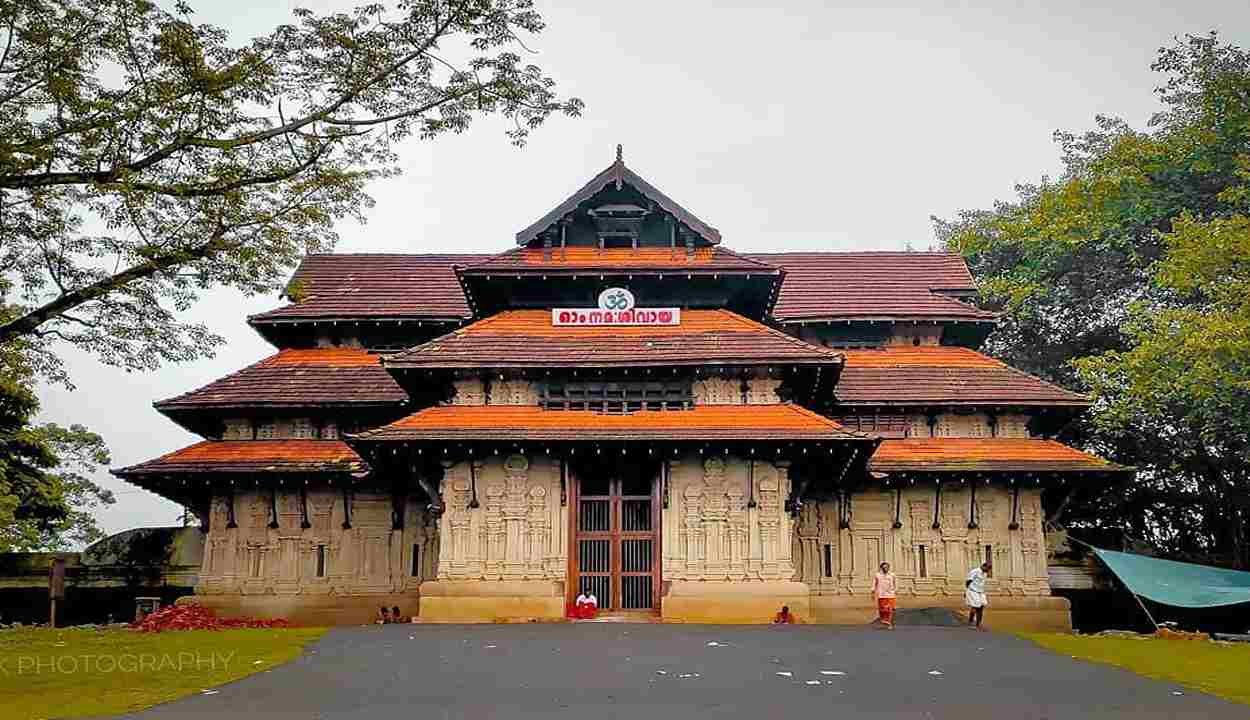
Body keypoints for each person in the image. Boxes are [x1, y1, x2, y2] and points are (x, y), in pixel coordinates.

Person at [966, 561, 991, 629]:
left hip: (980, 592)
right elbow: (968, 581)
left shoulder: (985, 573)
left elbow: (981, 583)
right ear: (983, 566)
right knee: (975, 607)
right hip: (972, 591)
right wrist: (967, 591)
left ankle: (978, 624)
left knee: (982, 606)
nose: (988, 570)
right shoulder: (975, 571)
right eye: (987, 568)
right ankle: (970, 621)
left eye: (989, 569)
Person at [872, 561, 898, 629]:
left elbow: (896, 583)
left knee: (890, 609)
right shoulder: (877, 575)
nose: (885, 569)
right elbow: (874, 584)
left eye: (886, 567)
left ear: (888, 568)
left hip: (890, 594)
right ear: (881, 568)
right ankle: (884, 621)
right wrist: (873, 591)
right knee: (882, 610)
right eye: (884, 568)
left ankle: (889, 623)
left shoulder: (892, 575)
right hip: (881, 594)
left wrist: (895, 590)